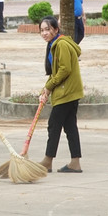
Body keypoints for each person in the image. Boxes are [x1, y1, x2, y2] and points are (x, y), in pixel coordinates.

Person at [38, 16, 83, 173]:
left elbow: (64, 69)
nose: (44, 33)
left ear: (56, 29)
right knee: (70, 127)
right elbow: (55, 72)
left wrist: (49, 87)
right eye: (42, 30)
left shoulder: (61, 44)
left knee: (54, 125)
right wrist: (45, 90)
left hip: (67, 92)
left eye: (48, 29)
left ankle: (47, 161)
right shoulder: (53, 44)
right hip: (69, 91)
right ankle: (75, 162)